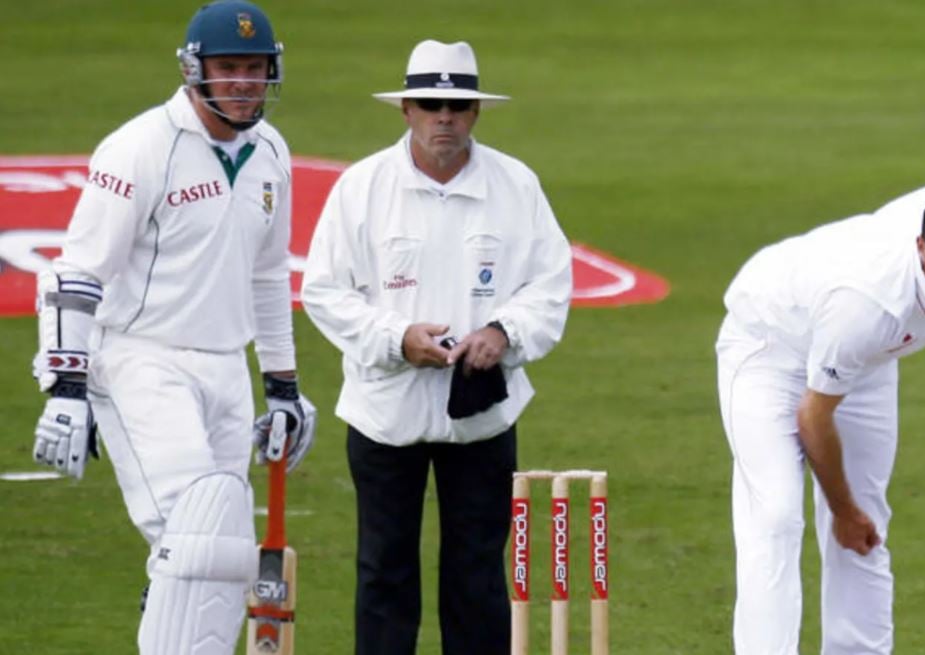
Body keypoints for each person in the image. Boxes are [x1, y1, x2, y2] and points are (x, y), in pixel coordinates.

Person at [30, 2, 316, 653]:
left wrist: (283, 386)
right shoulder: (140, 147)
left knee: (228, 554)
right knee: (195, 535)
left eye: (255, 67)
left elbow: (269, 277)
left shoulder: (271, 151)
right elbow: (76, 273)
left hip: (226, 364)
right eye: (229, 67)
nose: (244, 82)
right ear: (195, 69)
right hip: (141, 359)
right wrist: (66, 388)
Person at [715, 125, 925, 654]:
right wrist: (841, 509)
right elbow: (813, 418)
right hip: (771, 344)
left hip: (869, 359)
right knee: (775, 515)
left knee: (866, 528)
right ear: (921, 248)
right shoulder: (866, 302)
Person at [301, 39, 572, 655]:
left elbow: (550, 286)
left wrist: (502, 333)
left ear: (476, 112)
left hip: (480, 413)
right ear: (406, 110)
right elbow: (323, 292)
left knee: (477, 577)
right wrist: (397, 339)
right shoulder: (362, 187)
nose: (443, 117)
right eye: (430, 103)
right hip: (384, 411)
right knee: (383, 572)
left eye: (457, 105)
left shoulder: (516, 185)